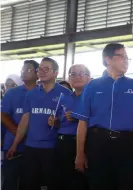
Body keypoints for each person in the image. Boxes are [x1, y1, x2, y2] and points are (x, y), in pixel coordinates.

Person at [73, 43, 133, 190]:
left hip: (128, 145)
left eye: (128, 58)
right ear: (107, 59)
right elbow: (82, 122)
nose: (126, 60)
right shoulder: (93, 86)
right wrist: (79, 153)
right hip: (98, 144)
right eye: (122, 56)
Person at [6, 57, 72, 190]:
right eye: (39, 69)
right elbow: (25, 121)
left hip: (53, 149)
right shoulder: (31, 95)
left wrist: (58, 122)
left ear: (55, 73)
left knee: (52, 185)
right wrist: (14, 144)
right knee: (28, 184)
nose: (41, 72)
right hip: (30, 148)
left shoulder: (66, 94)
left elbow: (69, 122)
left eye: (46, 69)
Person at [48, 64, 90, 190]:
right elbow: (60, 122)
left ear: (89, 78)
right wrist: (54, 122)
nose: (77, 77)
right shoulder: (65, 99)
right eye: (73, 74)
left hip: (84, 143)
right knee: (62, 180)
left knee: (80, 181)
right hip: (63, 143)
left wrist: (79, 117)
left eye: (81, 73)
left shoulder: (94, 98)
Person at [1, 60, 39, 190]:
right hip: (12, 146)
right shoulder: (12, 93)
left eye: (28, 69)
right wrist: (17, 132)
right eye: (22, 69)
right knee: (10, 182)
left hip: (35, 147)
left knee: (29, 182)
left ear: (37, 73)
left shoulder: (42, 93)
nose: (23, 72)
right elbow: (3, 115)